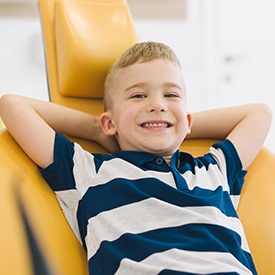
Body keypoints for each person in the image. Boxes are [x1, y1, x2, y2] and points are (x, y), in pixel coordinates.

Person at [0, 41, 272, 275]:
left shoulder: (214, 170)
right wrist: (98, 129)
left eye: (171, 94)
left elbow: (260, 114)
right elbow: (12, 105)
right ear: (108, 123)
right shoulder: (90, 172)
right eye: (139, 95)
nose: (157, 104)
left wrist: (176, 123)